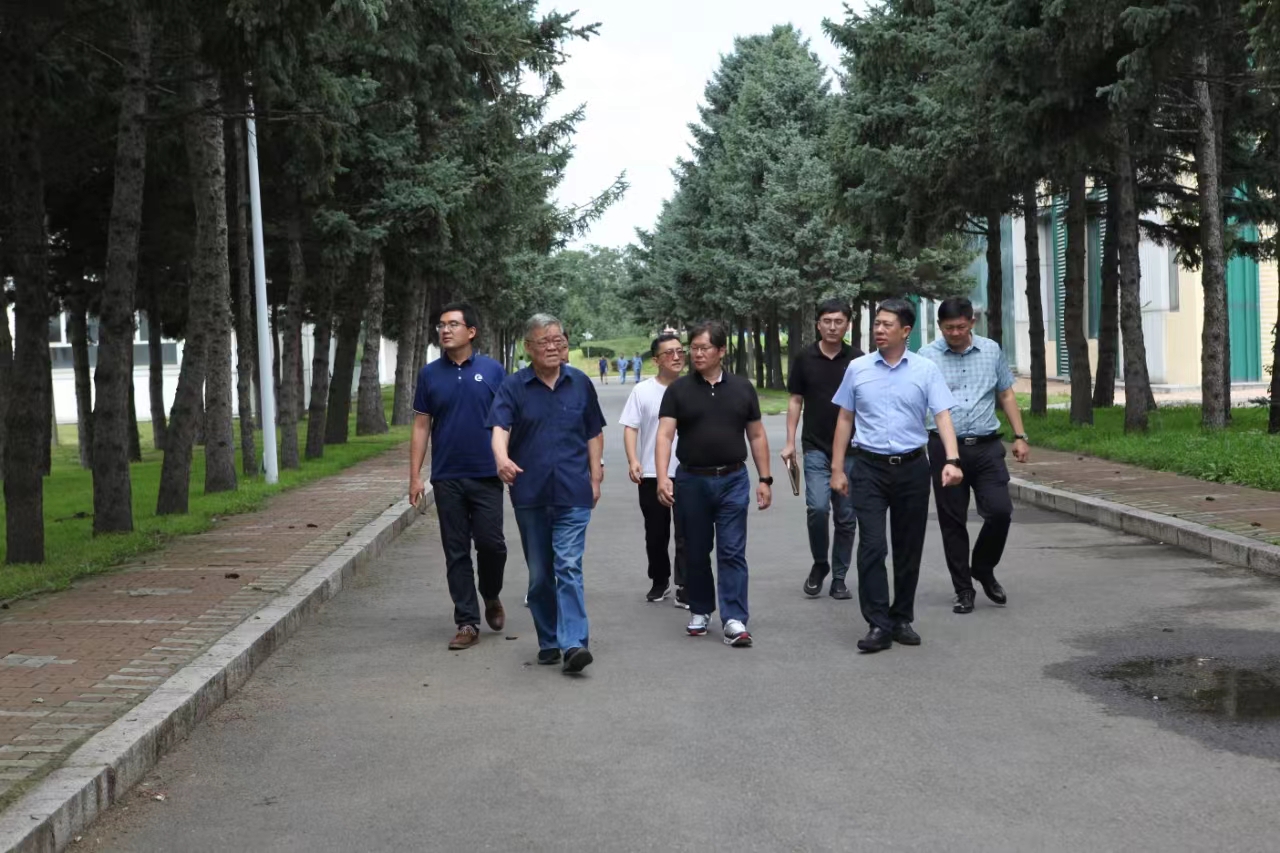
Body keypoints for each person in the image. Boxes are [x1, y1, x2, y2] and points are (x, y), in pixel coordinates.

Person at [830, 298, 964, 653]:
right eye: (877, 323)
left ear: (906, 331)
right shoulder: (858, 368)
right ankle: (878, 623)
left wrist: (952, 459)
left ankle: (902, 617)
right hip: (868, 468)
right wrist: (837, 469)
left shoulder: (925, 370)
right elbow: (845, 418)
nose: (879, 329)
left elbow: (942, 415)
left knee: (908, 547)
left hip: (912, 468)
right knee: (872, 546)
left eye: (887, 324)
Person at [489, 313, 605, 674]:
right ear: (529, 347)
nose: (554, 347)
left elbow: (593, 431)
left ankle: (574, 644)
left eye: (559, 341)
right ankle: (550, 640)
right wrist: (502, 459)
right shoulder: (513, 386)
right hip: (531, 492)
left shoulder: (580, 383)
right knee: (540, 576)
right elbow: (499, 427)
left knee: (568, 566)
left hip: (573, 490)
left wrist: (596, 475)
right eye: (545, 341)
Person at [656, 320, 772, 647]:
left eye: (704, 348)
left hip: (733, 479)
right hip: (692, 480)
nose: (697, 354)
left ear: (721, 351)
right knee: (695, 549)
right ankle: (701, 609)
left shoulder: (742, 388)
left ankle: (734, 618)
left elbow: (757, 435)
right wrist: (663, 476)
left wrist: (765, 479)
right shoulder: (678, 390)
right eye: (693, 348)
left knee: (732, 550)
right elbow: (664, 435)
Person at [917, 297, 1029, 614]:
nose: (954, 333)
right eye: (948, 328)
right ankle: (963, 589)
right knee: (953, 521)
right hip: (944, 448)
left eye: (960, 327)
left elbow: (1005, 392)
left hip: (986, 447)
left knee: (1000, 511)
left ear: (972, 322)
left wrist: (1020, 436)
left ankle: (982, 567)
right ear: (939, 326)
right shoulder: (926, 356)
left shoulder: (991, 350)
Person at [409, 302, 508, 651]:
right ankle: (467, 621)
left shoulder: (493, 370)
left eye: (453, 324)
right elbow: (421, 426)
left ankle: (491, 593)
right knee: (456, 550)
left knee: (492, 544)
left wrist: (509, 460)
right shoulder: (429, 374)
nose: (445, 330)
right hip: (447, 475)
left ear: (471, 331)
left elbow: (507, 420)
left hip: (486, 473)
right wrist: (415, 476)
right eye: (441, 325)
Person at [781, 298, 864, 601]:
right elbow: (795, 400)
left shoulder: (858, 360)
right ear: (818, 324)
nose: (832, 327)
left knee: (846, 516)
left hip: (853, 450)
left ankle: (839, 577)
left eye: (838, 321)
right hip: (815, 446)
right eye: (827, 321)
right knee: (817, 508)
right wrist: (790, 441)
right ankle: (820, 563)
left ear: (847, 325)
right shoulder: (805, 358)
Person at [621, 334, 688, 606]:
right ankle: (660, 580)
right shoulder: (642, 391)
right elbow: (631, 427)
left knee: (687, 533)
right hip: (651, 473)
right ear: (656, 360)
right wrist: (633, 460)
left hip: (688, 472)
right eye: (669, 353)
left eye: (680, 351)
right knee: (656, 534)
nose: (676, 357)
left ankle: (685, 584)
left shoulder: (693, 388)